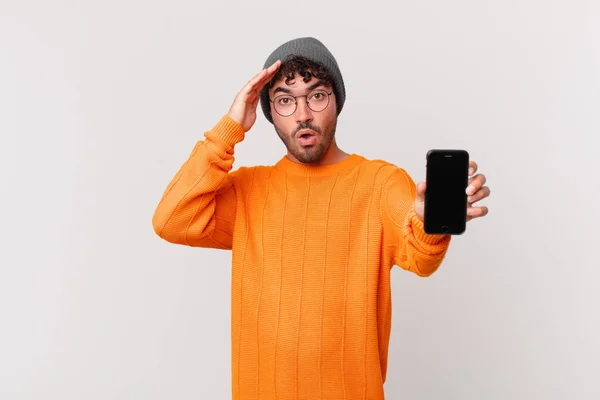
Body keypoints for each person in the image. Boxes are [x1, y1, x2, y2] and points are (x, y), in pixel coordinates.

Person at [152, 37, 490, 400]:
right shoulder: (247, 190)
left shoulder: (380, 183)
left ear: (336, 101)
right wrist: (230, 127)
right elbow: (171, 219)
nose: (302, 115)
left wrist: (428, 224)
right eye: (284, 100)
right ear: (267, 111)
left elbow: (421, 259)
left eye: (316, 95)